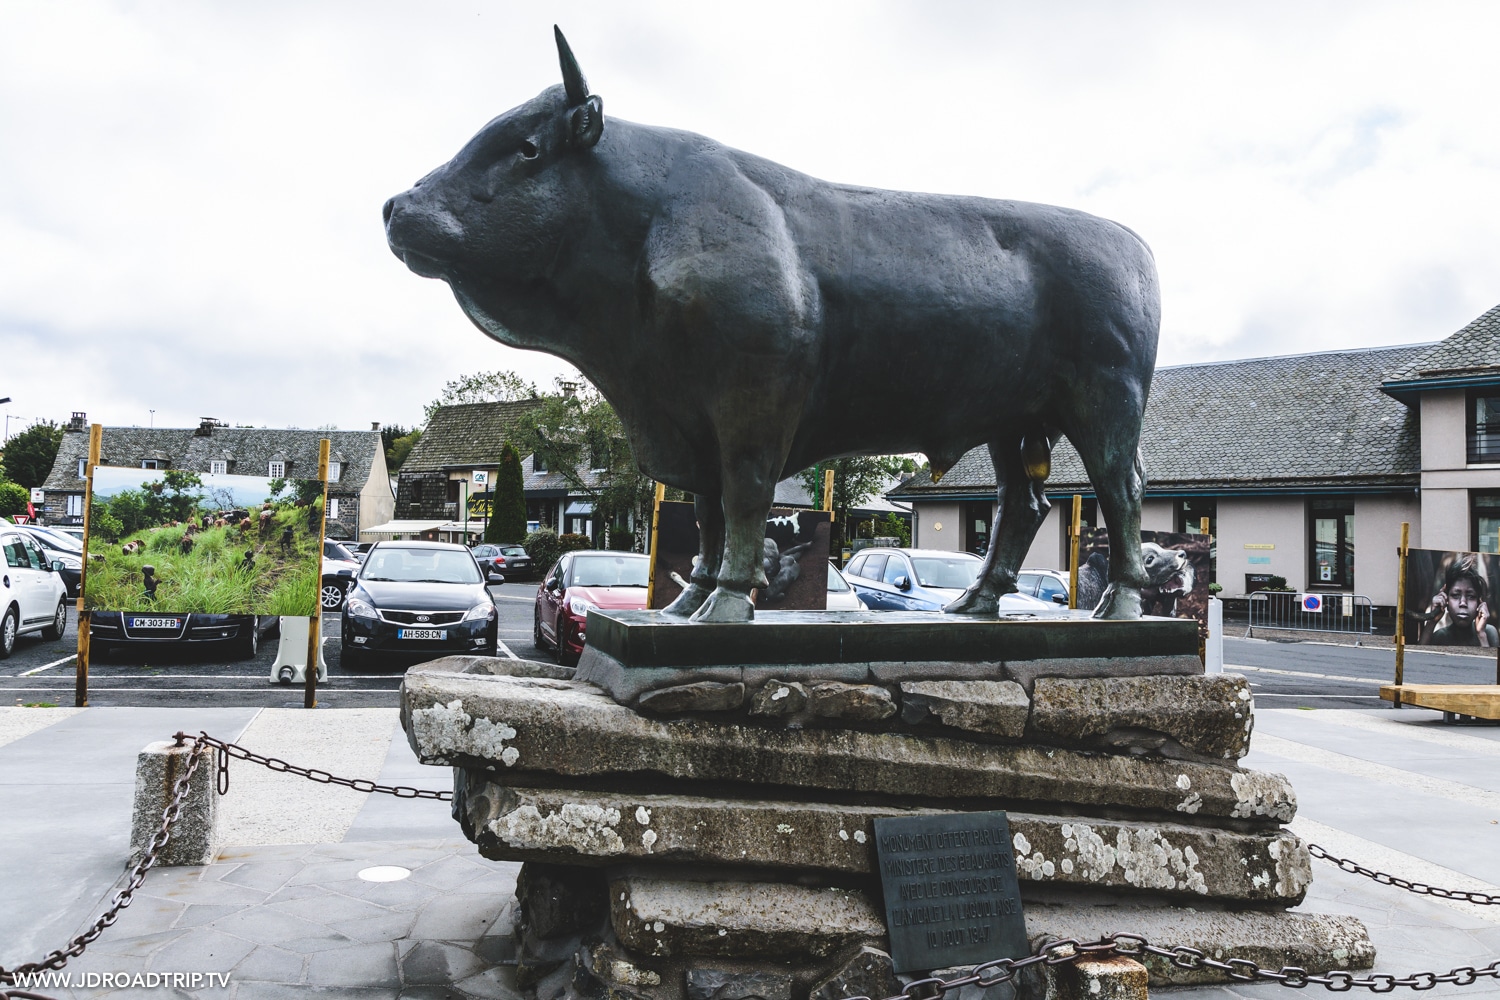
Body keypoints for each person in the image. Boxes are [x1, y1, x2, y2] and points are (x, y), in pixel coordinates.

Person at [1421, 557, 1497, 647]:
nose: (1463, 603)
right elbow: (1417, 658)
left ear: (1479, 603)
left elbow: (1491, 661)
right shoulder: (1440, 637)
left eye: (1471, 596)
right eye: (1456, 595)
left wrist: (1481, 635)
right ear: (1446, 601)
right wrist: (1431, 621)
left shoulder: (1489, 633)